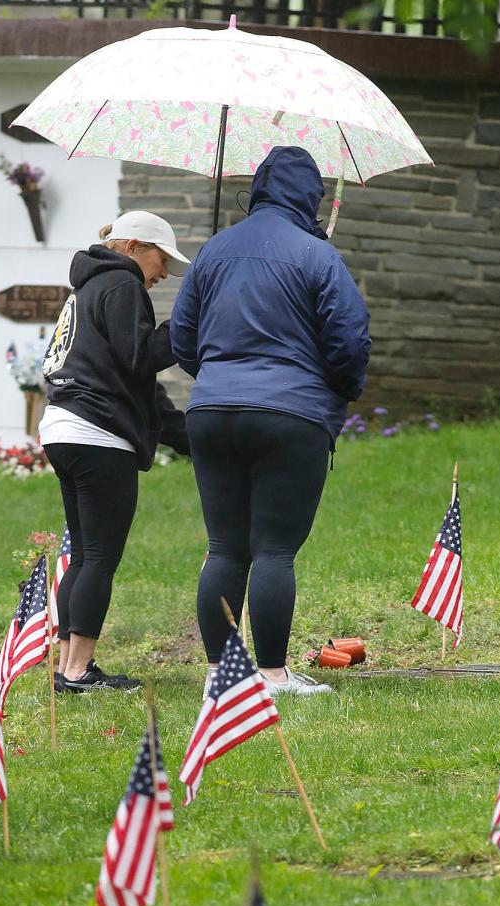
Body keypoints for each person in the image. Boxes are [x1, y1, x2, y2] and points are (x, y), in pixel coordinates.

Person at [170, 146, 371, 698]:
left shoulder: (213, 251)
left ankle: (220, 677)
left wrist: (217, 375)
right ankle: (271, 675)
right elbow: (349, 338)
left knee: (225, 547)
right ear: (312, 197)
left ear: (258, 188)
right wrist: (342, 388)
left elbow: (181, 338)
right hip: (292, 413)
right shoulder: (316, 255)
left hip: (211, 411)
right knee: (274, 550)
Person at [40, 211, 190, 693]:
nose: (163, 272)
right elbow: (141, 356)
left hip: (63, 428)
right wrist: (185, 326)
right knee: (100, 557)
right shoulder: (122, 285)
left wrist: (191, 439)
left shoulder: (86, 290)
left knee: (84, 555)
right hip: (99, 437)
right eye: (159, 258)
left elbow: (137, 383)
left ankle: (68, 667)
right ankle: (80, 671)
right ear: (131, 247)